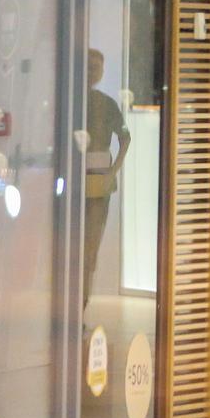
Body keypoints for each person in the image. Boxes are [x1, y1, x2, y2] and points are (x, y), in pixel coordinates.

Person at [75, 48, 130, 321]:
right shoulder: (71, 101)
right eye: (88, 67)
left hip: (98, 186)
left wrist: (113, 171)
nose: (92, 72)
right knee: (72, 246)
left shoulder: (107, 104)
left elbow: (125, 138)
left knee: (90, 248)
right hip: (75, 184)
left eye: (96, 68)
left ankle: (81, 304)